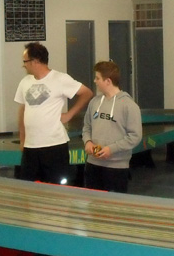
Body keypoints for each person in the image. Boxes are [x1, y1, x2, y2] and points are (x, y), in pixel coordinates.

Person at [14, 42, 93, 184]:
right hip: (31, 146)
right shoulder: (25, 82)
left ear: (35, 61)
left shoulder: (60, 79)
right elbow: (22, 111)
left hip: (54, 145)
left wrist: (69, 114)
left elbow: (86, 93)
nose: (23, 65)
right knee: (27, 186)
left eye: (25, 61)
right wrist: (22, 139)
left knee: (56, 186)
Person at [81, 61, 142, 192]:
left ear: (107, 81)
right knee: (94, 205)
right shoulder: (95, 102)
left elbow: (135, 136)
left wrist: (112, 149)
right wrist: (88, 142)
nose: (95, 81)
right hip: (93, 164)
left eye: (97, 78)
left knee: (114, 207)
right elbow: (87, 126)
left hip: (116, 167)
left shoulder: (129, 106)